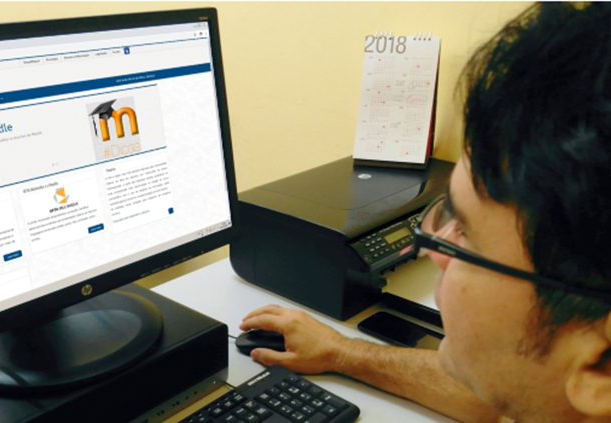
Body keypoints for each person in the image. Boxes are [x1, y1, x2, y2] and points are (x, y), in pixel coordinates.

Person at [239, 3, 611, 422]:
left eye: (466, 239)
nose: (433, 251)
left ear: (600, 366)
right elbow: (497, 386)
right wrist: (340, 352)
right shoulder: (561, 389)